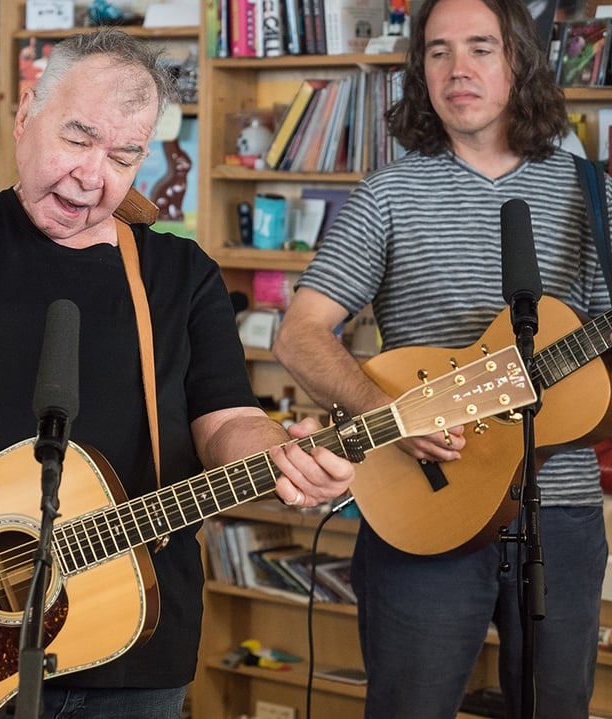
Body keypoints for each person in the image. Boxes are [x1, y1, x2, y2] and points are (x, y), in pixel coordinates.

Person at [0, 28, 355, 718]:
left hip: (136, 652)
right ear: (25, 116)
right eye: (77, 139)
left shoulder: (180, 277)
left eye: (124, 155)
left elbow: (227, 422)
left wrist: (283, 456)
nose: (92, 176)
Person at [271, 0, 608, 716]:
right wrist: (389, 415)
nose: (459, 69)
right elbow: (298, 333)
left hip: (563, 513)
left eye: (481, 48)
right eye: (438, 51)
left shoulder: (591, 196)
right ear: (418, 69)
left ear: (519, 59)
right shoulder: (387, 195)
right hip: (422, 511)